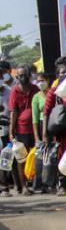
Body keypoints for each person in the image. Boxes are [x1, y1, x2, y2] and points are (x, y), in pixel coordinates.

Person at [44, 57, 66, 205]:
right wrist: (45, 134)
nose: (63, 75)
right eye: (60, 72)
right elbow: (46, 112)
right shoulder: (54, 90)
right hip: (63, 132)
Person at [8, 64, 39, 195]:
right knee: (21, 159)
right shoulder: (15, 91)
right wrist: (11, 131)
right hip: (21, 129)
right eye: (20, 75)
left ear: (29, 75)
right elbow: (13, 112)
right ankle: (24, 186)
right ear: (17, 77)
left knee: (37, 158)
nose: (23, 77)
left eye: (25, 75)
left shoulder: (35, 89)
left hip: (36, 128)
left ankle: (37, 184)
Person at [31, 71, 52, 193]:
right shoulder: (36, 97)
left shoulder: (53, 93)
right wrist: (37, 137)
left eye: (42, 80)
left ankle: (52, 183)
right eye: (38, 81)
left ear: (48, 81)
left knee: (52, 156)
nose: (40, 83)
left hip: (52, 124)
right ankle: (41, 183)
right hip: (40, 125)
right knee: (41, 158)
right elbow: (34, 118)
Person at [0, 61, 13, 196]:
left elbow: (12, 110)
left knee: (6, 157)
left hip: (6, 129)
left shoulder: (9, 92)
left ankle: (6, 185)